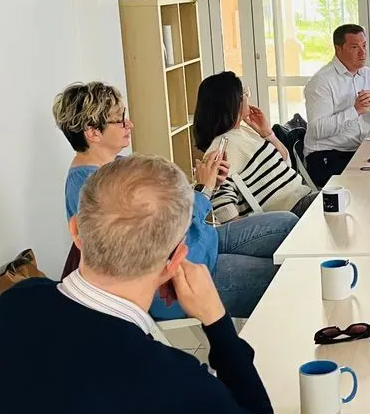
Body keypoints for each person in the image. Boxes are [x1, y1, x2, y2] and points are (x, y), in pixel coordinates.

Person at [0, 155, 278, 414]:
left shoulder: (14, 300)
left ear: (76, 230)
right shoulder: (171, 380)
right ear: (176, 259)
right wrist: (217, 321)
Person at [53, 82, 297, 318]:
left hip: (197, 245)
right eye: (120, 119)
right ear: (93, 132)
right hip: (176, 278)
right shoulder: (89, 187)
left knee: (287, 225)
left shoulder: (117, 165)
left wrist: (209, 183)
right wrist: (203, 191)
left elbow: (169, 209)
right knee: (286, 279)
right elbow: (157, 238)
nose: (130, 124)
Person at [193, 71, 317, 221]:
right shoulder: (222, 146)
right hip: (290, 211)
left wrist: (268, 134)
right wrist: (252, 230)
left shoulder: (242, 131)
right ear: (233, 102)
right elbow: (220, 200)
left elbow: (285, 164)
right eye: (244, 93)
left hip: (301, 198)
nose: (248, 96)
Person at [303, 24, 370, 186]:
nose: (362, 52)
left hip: (358, 149)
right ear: (338, 49)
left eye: (364, 46)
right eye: (355, 47)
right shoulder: (321, 81)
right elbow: (317, 130)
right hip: (326, 155)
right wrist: (355, 110)